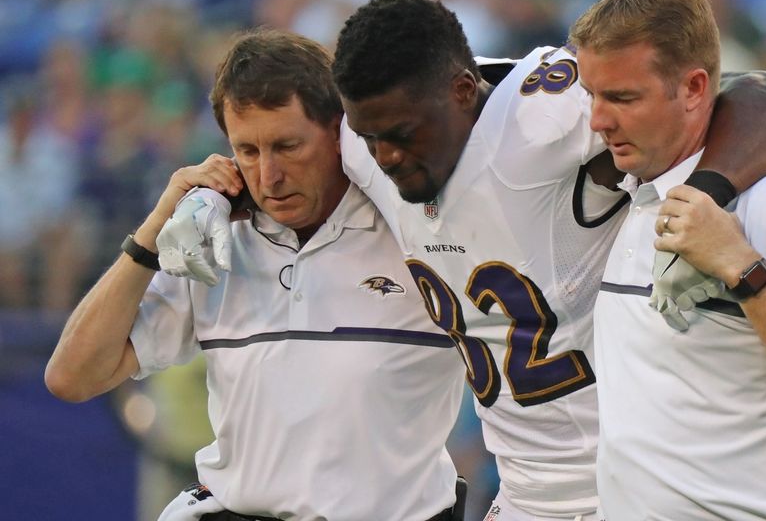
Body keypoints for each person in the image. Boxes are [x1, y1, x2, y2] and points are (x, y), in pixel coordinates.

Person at [328, 0, 766, 520]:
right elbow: (280, 142)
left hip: (624, 491)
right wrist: (223, 189)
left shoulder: (543, 118)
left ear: (463, 91)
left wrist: (698, 201)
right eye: (369, 136)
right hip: (519, 493)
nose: (386, 156)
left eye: (401, 135)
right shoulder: (361, 137)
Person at [44, 28, 467, 521]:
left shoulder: (420, 231)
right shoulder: (210, 238)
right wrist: (152, 234)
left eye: (287, 146)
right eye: (247, 151)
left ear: (340, 133)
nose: (268, 176)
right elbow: (72, 377)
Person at [573, 0, 766, 519]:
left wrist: (743, 268)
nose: (598, 120)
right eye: (593, 95)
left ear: (695, 88)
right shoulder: (631, 191)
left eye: (623, 97)